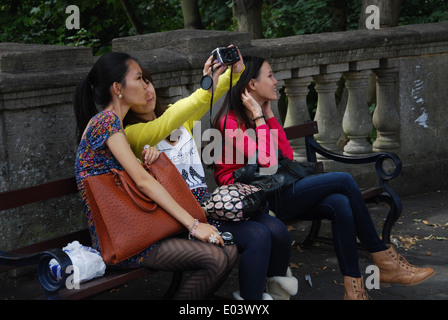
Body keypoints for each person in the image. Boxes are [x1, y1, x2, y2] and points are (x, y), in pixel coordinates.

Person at [212, 55, 435, 300]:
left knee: (340, 203)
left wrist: (267, 114)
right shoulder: (230, 122)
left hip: (276, 190)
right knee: (343, 181)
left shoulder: (259, 115)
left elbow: (285, 155)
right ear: (252, 85)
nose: (276, 81)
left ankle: (354, 290)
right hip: (257, 203)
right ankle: (383, 258)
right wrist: (258, 116)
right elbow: (268, 162)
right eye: (270, 75)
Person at [126, 49, 297, 300]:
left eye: (148, 82)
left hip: (208, 205)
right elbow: (177, 115)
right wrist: (205, 90)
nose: (147, 89)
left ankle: (275, 294)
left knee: (276, 229)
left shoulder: (178, 120)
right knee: (258, 236)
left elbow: (203, 100)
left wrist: (226, 73)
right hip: (181, 216)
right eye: (139, 85)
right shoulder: (134, 134)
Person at [73, 51, 237, 300]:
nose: (145, 84)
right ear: (118, 88)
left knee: (228, 251)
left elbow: (132, 174)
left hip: (142, 227)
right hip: (126, 239)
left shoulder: (114, 124)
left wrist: (147, 156)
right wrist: (194, 225)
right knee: (216, 257)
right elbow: (142, 181)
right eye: (138, 78)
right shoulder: (105, 122)